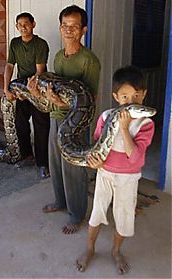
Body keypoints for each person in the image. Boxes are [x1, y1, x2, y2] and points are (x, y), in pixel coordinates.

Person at [28, 5, 101, 234]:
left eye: (74, 26)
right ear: (60, 28)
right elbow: (54, 93)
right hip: (56, 117)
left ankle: (77, 214)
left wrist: (59, 103)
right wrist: (38, 94)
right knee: (56, 163)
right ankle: (61, 202)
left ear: (83, 30)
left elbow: (90, 99)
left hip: (76, 124)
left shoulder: (89, 61)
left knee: (73, 169)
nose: (69, 30)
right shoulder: (59, 57)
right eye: (65, 26)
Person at [76, 65, 155, 274]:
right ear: (116, 97)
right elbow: (96, 145)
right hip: (105, 174)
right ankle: (90, 248)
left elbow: (135, 155)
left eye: (137, 96)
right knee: (97, 211)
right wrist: (95, 162)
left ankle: (116, 251)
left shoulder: (145, 124)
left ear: (144, 95)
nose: (130, 102)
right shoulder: (105, 116)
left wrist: (123, 128)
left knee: (123, 215)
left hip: (128, 179)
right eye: (125, 97)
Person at [3, 12, 50, 179]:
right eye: (19, 25)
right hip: (21, 87)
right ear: (16, 27)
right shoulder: (15, 43)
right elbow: (9, 65)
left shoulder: (40, 44)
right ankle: (27, 156)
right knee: (20, 123)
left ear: (33, 24)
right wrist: (6, 88)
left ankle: (43, 164)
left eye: (26, 24)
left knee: (41, 126)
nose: (23, 27)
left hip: (38, 88)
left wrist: (31, 93)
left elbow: (39, 71)